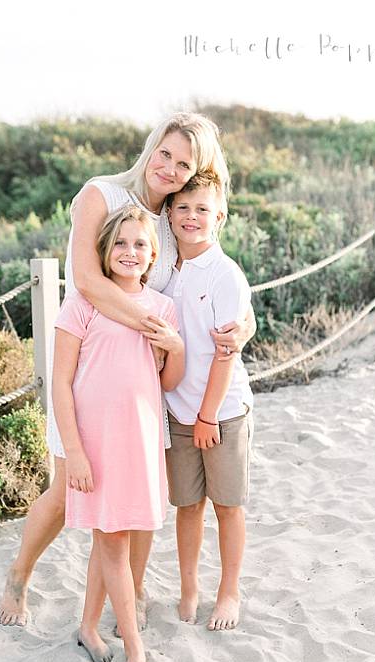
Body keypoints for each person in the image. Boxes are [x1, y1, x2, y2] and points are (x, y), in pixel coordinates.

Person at [0, 112, 256, 628]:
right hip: (90, 374)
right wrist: (155, 329)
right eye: (165, 153)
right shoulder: (100, 195)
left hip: (146, 386)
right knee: (65, 488)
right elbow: (89, 283)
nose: (170, 168)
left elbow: (209, 278)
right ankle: (19, 576)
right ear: (150, 146)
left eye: (185, 164)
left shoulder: (174, 218)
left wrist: (244, 323)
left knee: (141, 493)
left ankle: (131, 593)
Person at [52, 206, 184, 662]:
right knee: (113, 542)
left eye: (140, 245)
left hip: (140, 442)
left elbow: (167, 381)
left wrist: (174, 346)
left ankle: (89, 626)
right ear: (105, 251)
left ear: (153, 256)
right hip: (96, 444)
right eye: (121, 243)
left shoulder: (163, 309)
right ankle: (135, 649)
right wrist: (75, 452)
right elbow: (61, 384)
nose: (130, 252)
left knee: (112, 535)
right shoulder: (83, 303)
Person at [162, 171, 254, 631]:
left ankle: (229, 592)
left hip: (221, 412)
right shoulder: (163, 269)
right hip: (177, 410)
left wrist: (207, 415)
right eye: (182, 208)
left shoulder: (225, 275)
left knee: (227, 505)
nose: (192, 217)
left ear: (220, 216)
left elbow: (225, 353)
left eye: (202, 210)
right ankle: (189, 586)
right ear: (170, 214)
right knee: (188, 505)